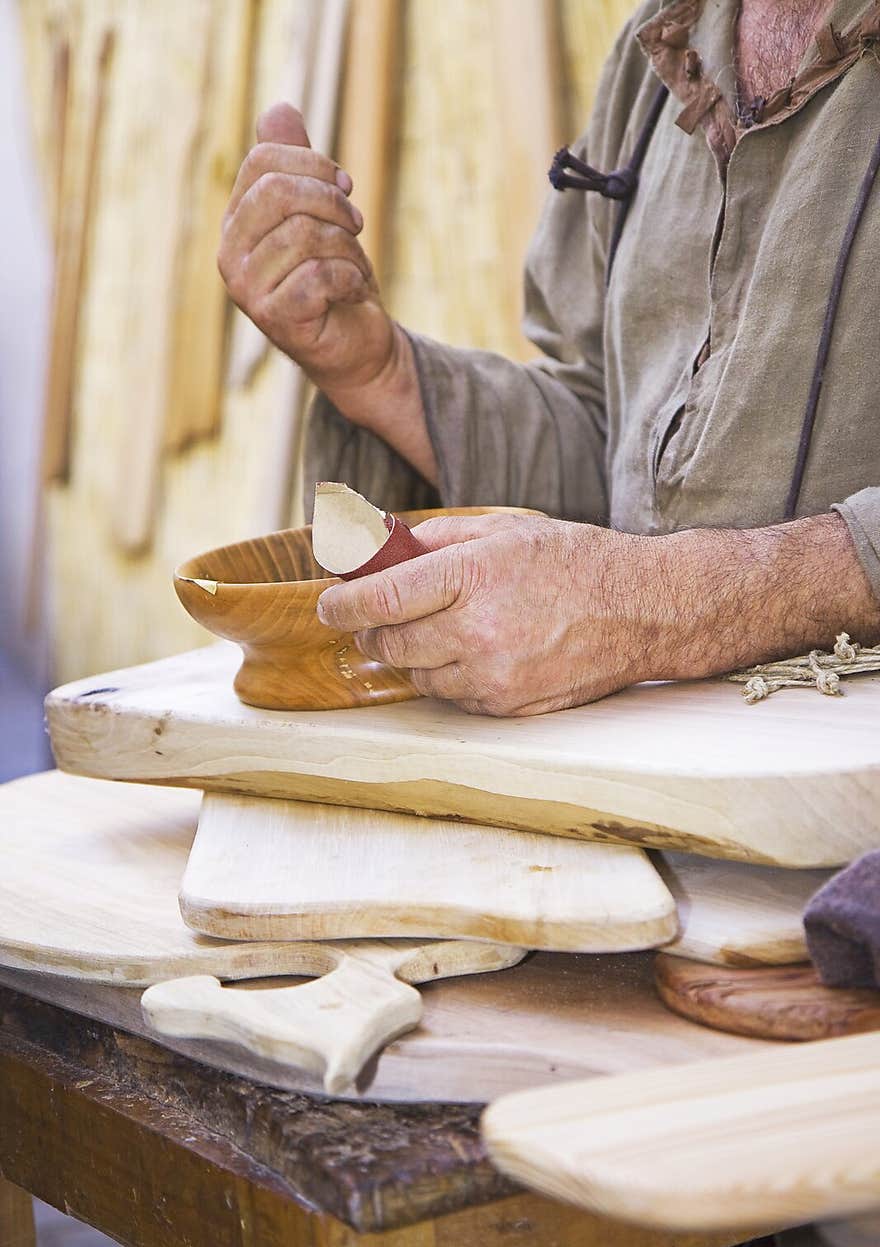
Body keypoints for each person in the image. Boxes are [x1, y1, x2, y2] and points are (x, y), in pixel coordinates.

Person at [218, 0, 880, 716]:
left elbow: (627, 580)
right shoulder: (664, 39)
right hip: (648, 782)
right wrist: (379, 375)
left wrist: (649, 605)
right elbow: (615, 441)